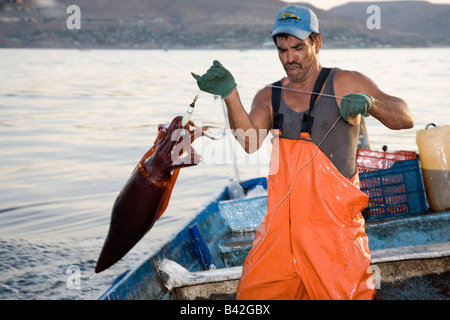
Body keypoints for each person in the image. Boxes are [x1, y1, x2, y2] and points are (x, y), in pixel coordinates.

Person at [191, 5, 414, 300]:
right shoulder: (269, 95)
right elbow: (249, 141)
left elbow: (404, 117)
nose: (290, 58)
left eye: (298, 47)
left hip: (333, 235)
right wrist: (230, 95)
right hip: (279, 234)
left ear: (316, 43)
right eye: (282, 50)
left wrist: (371, 104)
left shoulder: (344, 82)